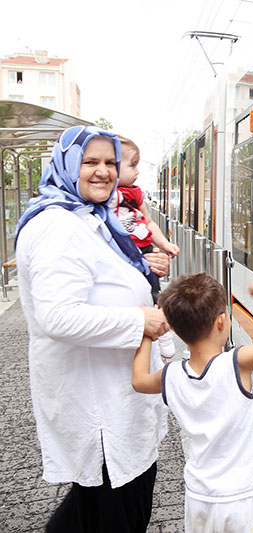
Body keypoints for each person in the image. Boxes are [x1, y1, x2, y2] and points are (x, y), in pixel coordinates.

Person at [15, 125, 170, 532]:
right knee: (114, 514)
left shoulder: (87, 218)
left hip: (113, 400)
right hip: (102, 407)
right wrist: (142, 319)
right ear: (67, 164)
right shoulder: (57, 228)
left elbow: (102, 279)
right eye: (90, 161)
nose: (103, 171)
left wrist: (141, 268)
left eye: (110, 163)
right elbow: (58, 316)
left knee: (91, 513)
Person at [131, 273, 253, 532]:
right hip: (242, 500)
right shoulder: (237, 363)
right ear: (222, 322)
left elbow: (138, 380)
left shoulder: (171, 376)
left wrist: (148, 333)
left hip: (199, 497)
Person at [111, 136, 180, 358]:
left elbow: (149, 222)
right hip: (120, 252)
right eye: (132, 165)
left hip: (144, 250)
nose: (137, 171)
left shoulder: (136, 193)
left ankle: (163, 330)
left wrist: (164, 243)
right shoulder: (104, 195)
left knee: (153, 290)